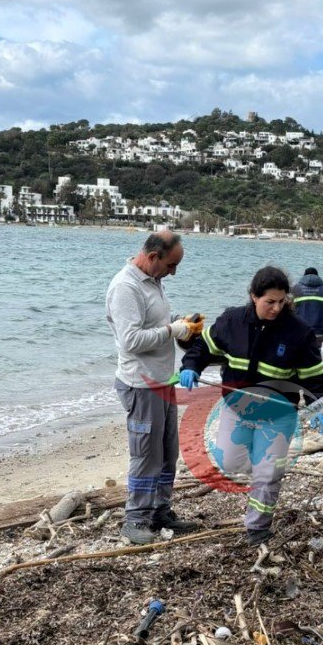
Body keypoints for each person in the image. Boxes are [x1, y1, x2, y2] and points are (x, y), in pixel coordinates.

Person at [179, 266, 323, 545]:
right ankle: (260, 475)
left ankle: (258, 528)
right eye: (269, 302)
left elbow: (315, 377)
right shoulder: (231, 321)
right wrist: (191, 366)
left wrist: (318, 405)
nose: (276, 308)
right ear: (253, 297)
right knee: (230, 461)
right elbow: (203, 348)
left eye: (281, 301)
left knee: (268, 473)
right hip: (236, 409)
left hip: (278, 415)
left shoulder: (299, 333)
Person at [105, 231, 198, 544]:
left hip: (162, 381)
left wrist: (181, 323)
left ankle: (160, 510)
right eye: (171, 265)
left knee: (168, 452)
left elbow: (154, 324)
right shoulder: (125, 287)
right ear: (154, 256)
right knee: (146, 454)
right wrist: (173, 329)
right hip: (140, 384)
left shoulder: (153, 282)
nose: (173, 272)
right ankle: (135, 519)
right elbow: (131, 341)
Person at [291, 267, 323, 344]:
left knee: (300, 351)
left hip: (299, 328)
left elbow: (288, 308)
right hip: (320, 328)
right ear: (317, 276)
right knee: (317, 351)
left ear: (304, 276)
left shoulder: (295, 289)